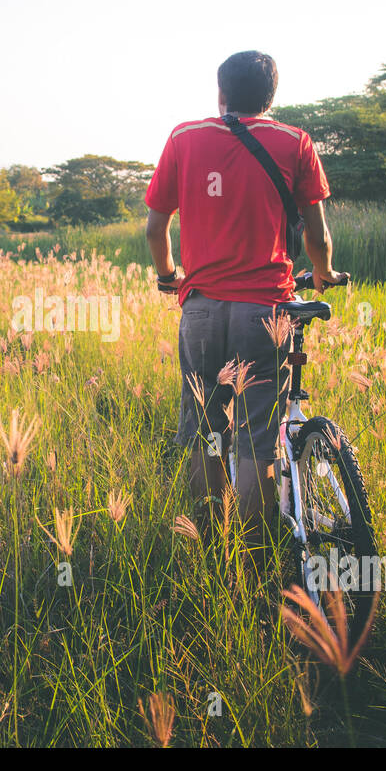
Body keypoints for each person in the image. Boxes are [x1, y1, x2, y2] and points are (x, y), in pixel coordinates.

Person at [144, 50, 349, 573]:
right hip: (266, 309)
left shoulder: (184, 139)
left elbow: (155, 228)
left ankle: (211, 551)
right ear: (271, 98)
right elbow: (318, 235)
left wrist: (171, 277)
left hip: (203, 310)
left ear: (220, 94)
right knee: (258, 439)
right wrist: (322, 273)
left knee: (206, 432)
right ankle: (256, 560)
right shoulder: (294, 141)